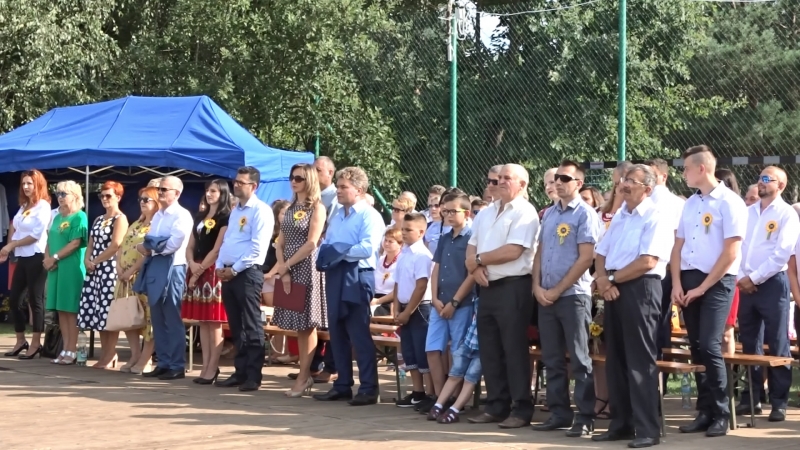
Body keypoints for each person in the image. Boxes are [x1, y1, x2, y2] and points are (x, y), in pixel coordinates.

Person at [592, 164, 675, 448]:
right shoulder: (621, 216)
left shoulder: (656, 217)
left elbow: (648, 261)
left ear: (647, 189)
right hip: (613, 288)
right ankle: (622, 424)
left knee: (640, 360)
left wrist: (610, 279)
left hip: (641, 289)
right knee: (616, 358)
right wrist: (603, 280)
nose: (624, 185)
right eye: (624, 180)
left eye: (631, 181)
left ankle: (648, 429)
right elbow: (601, 252)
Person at [671, 145, 747, 437]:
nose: (684, 174)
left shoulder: (730, 202)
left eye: (686, 168)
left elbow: (731, 251)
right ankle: (704, 411)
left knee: (710, 345)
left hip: (716, 282)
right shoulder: (691, 203)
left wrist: (703, 287)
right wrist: (677, 284)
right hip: (688, 280)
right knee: (695, 345)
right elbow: (678, 246)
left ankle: (721, 413)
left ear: (702, 168)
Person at [466, 164, 538, 429]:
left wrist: (478, 261)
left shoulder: (525, 212)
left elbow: (513, 251)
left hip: (514, 287)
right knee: (490, 349)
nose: (501, 182)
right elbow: (471, 245)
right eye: (498, 178)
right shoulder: (486, 212)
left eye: (508, 178)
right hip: (487, 287)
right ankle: (496, 406)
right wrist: (474, 268)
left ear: (522, 184)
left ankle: (521, 409)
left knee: (513, 349)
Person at [532, 160, 600, 437]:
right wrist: (537, 286)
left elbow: (586, 258)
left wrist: (557, 289)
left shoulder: (585, 214)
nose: (558, 182)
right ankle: (559, 413)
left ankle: (585, 417)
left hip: (573, 297)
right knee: (552, 359)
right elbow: (540, 251)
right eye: (556, 178)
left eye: (564, 178)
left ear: (578, 183)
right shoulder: (549, 213)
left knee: (580, 359)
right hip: (546, 296)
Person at [313, 166, 385, 406]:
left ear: (359, 190)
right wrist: (333, 252)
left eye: (344, 187)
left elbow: (367, 248)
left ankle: (369, 388)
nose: (339, 191)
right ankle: (342, 385)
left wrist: (338, 251)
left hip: (358, 276)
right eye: (339, 186)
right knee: (337, 332)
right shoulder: (337, 216)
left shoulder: (369, 216)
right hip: (336, 275)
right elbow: (327, 244)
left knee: (358, 333)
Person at [735, 166, 799, 422]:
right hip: (745, 284)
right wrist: (743, 277)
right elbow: (738, 246)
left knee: (777, 343)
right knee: (750, 342)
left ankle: (778, 402)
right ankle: (751, 398)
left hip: (773, 284)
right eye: (759, 178)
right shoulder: (748, 212)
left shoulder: (787, 214)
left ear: (781, 185)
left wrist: (755, 278)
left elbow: (782, 254)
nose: (760, 183)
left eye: (766, 179)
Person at [272, 163, 328, 397]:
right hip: (289, 267)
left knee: (308, 325)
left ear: (310, 181)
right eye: (292, 177)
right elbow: (280, 242)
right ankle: (303, 375)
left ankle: (304, 376)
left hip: (307, 267)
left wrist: (287, 265)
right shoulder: (291, 206)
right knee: (298, 327)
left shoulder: (317, 208)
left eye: (299, 178)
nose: (293, 182)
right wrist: (283, 270)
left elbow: (312, 243)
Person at [215, 167, 272, 391]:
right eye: (235, 181)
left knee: (251, 323)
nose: (236, 185)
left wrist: (235, 269)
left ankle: (253, 375)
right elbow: (228, 241)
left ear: (254, 186)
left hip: (247, 273)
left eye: (241, 182)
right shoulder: (235, 210)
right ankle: (240, 371)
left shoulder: (261, 211)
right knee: (236, 325)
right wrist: (220, 266)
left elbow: (257, 249)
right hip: (230, 272)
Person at [138, 176, 193, 380]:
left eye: (164, 189)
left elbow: (173, 244)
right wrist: (153, 245)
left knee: (171, 316)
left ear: (177, 193)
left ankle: (176, 365)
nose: (160, 192)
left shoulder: (181, 215)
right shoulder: (159, 215)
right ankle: (163, 362)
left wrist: (152, 247)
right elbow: (150, 239)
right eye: (159, 189)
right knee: (157, 316)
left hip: (174, 266)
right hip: (156, 264)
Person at [425, 192, 476, 412]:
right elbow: (436, 268)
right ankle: (439, 397)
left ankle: (456, 400)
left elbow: (472, 274)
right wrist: (435, 298)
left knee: (457, 352)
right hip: (439, 303)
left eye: (453, 211)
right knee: (432, 349)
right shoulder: (445, 238)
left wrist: (454, 302)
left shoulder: (472, 238)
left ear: (467, 213)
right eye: (445, 211)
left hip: (461, 306)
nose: (448, 215)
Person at [182, 180, 232, 384]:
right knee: (202, 321)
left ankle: (213, 366)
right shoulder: (200, 217)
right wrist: (191, 263)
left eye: (214, 191)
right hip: (197, 267)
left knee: (214, 321)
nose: (209, 194)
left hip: (212, 271)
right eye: (208, 190)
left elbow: (217, 249)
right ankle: (204, 366)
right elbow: (190, 245)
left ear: (222, 194)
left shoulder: (225, 217)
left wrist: (199, 270)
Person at [1, 170, 52, 359]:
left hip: (37, 256)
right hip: (22, 256)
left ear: (38, 185)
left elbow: (36, 235)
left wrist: (12, 245)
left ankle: (36, 343)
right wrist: (8, 248)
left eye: (29, 183)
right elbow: (15, 227)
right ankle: (21, 340)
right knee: (14, 299)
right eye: (23, 184)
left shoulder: (43, 206)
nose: (26, 187)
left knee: (35, 300)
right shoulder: (24, 206)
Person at [78, 181, 128, 369]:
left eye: (108, 195)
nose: (104, 199)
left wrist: (96, 261)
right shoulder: (99, 219)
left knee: (109, 313)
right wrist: (86, 259)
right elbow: (90, 243)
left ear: (118, 197)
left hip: (109, 270)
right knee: (99, 313)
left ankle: (110, 354)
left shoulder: (120, 219)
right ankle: (106, 354)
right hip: (95, 270)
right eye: (102, 196)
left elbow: (115, 245)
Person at [115, 186, 159, 374]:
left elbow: (148, 251)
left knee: (148, 319)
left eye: (147, 199)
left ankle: (145, 358)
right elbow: (122, 246)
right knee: (128, 318)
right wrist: (119, 267)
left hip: (143, 277)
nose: (142, 202)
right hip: (125, 279)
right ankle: (134, 355)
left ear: (156, 202)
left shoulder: (157, 224)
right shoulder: (136, 223)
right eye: (140, 199)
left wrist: (132, 270)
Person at [44, 181, 88, 365]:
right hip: (55, 268)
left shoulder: (79, 216)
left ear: (75, 196)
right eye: (58, 194)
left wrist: (55, 258)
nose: (60, 197)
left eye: (64, 194)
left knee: (71, 309)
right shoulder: (57, 217)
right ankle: (65, 348)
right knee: (61, 309)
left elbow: (75, 243)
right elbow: (49, 240)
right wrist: (47, 259)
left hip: (70, 267)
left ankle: (73, 349)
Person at [393, 213, 434, 408]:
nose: (404, 233)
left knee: (422, 352)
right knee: (409, 352)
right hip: (404, 308)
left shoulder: (422, 255)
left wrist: (407, 312)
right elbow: (397, 283)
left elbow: (421, 286)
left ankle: (430, 393)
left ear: (421, 232)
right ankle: (418, 392)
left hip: (419, 310)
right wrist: (396, 308)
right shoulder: (404, 254)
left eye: (408, 230)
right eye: (403, 229)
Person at [427, 297, 481, 424]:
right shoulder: (478, 300)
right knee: (454, 374)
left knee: (470, 378)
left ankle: (454, 410)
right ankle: (438, 405)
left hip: (484, 347)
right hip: (469, 342)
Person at [372, 227, 402, 317]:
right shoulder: (380, 259)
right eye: (385, 240)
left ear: (400, 244)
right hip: (374, 298)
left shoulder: (402, 262)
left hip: (391, 302)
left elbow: (399, 290)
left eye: (391, 241)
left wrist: (378, 301)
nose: (386, 243)